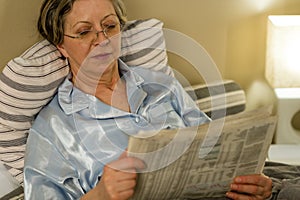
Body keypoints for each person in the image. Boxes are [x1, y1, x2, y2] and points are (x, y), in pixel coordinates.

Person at [23, 0, 273, 199]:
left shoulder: (162, 84)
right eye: (84, 31)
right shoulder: (52, 128)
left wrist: (251, 184)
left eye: (110, 26)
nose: (102, 41)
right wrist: (100, 195)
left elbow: (217, 148)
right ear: (61, 46)